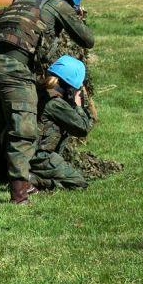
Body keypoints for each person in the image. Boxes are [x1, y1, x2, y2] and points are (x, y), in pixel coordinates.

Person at [0, 0, 94, 204]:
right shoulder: (58, 5)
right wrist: (75, 15)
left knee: (4, 126)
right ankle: (20, 193)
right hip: (15, 69)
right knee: (24, 131)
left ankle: (22, 180)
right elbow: (87, 40)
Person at [29, 55, 94, 191]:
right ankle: (32, 180)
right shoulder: (56, 104)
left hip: (23, 153)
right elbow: (83, 128)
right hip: (39, 158)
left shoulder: (38, 90)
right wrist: (79, 105)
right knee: (78, 183)